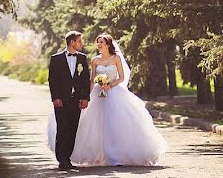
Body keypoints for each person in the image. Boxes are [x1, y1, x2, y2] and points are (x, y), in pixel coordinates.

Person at [48, 33, 168, 167]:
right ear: (72, 42)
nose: (97, 44)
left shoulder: (110, 58)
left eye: (101, 42)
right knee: (77, 126)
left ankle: (116, 154)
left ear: (108, 44)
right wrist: (87, 96)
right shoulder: (92, 60)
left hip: (114, 93)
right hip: (95, 95)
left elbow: (121, 77)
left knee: (113, 124)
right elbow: (89, 80)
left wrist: (108, 86)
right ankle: (63, 160)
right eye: (97, 42)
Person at [47, 31, 90, 171]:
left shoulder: (82, 59)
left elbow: (85, 79)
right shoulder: (56, 58)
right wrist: (55, 98)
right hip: (61, 100)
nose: (81, 44)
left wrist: (85, 98)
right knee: (62, 128)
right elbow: (52, 80)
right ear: (72, 42)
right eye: (79, 41)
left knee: (72, 129)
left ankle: (68, 158)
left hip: (76, 101)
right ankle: (62, 160)